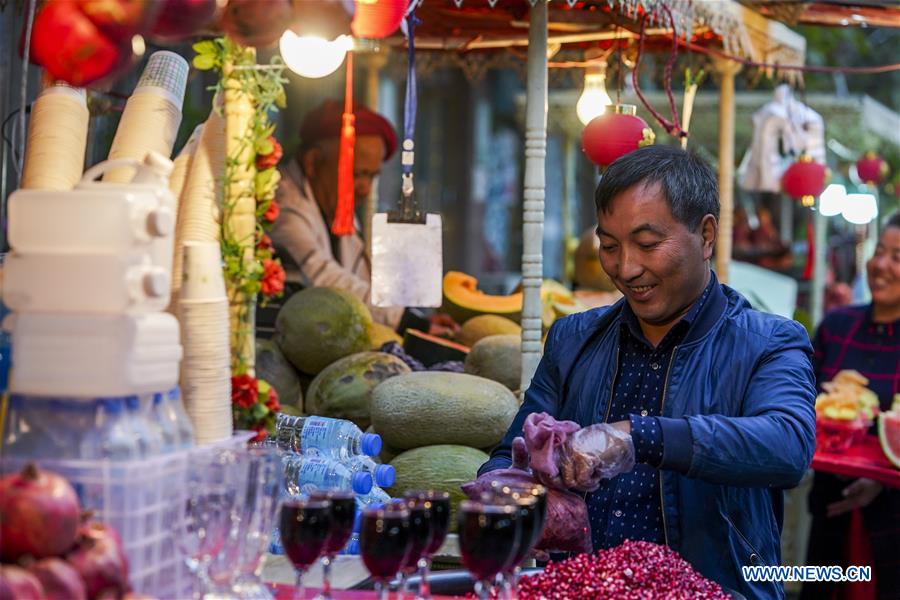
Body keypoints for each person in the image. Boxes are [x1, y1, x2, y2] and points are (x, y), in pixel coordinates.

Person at [479, 145, 817, 599]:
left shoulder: (769, 341)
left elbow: (788, 445)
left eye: (647, 244)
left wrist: (640, 438)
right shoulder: (573, 339)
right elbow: (511, 452)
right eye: (610, 245)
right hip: (579, 587)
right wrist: (506, 488)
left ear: (707, 234)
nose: (625, 268)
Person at [267, 99, 456, 336]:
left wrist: (416, 318)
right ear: (313, 162)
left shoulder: (334, 206)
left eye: (372, 177)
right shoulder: (284, 207)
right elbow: (323, 277)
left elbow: (358, 278)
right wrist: (406, 321)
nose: (365, 189)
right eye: (357, 174)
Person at [801, 212, 900, 600]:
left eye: (897, 256)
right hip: (829, 508)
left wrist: (882, 478)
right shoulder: (836, 326)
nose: (881, 265)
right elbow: (800, 399)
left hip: (892, 524)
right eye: (879, 252)